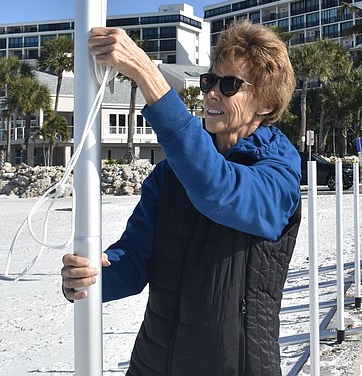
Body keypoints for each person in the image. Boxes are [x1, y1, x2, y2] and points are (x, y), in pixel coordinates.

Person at [61, 21, 301, 376]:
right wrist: (89, 276)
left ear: (265, 104)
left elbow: (218, 190)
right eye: (209, 81)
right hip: (152, 363)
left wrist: (147, 73)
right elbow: (134, 257)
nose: (212, 93)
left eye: (230, 84)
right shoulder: (171, 171)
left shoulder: (278, 171)